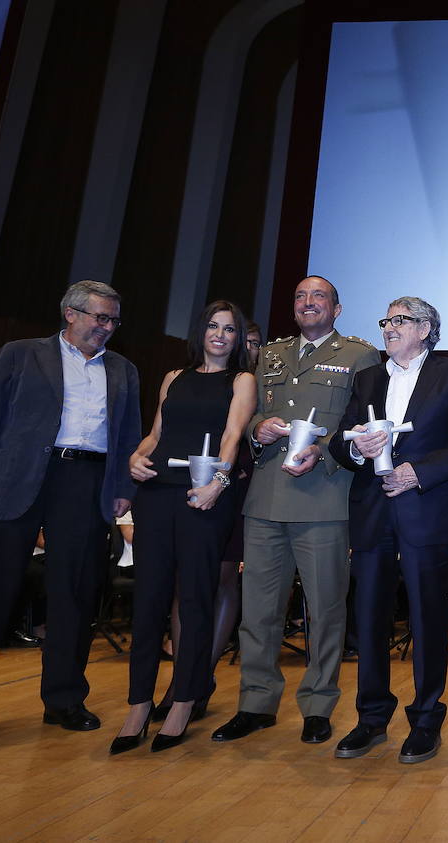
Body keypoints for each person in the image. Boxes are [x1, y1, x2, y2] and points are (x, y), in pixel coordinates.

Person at [0, 280, 140, 752]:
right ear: (70, 312)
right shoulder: (20, 353)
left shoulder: (124, 370)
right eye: (99, 317)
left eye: (113, 320)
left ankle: (64, 700)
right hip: (17, 481)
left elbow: (129, 436)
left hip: (86, 485)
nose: (106, 328)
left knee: (74, 596)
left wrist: (122, 489)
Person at [211, 276, 379, 747]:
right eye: (300, 296)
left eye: (318, 296)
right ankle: (256, 704)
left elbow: (359, 426)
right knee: (258, 613)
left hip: (325, 498)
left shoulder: (359, 355)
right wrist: (259, 431)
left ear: (337, 309)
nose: (308, 303)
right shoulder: (270, 354)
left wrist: (321, 451)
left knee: (325, 612)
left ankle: (318, 705)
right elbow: (252, 416)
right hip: (265, 498)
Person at [327, 296, 448, 764]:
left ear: (426, 328)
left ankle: (426, 720)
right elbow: (339, 441)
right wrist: (357, 450)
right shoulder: (368, 377)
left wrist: (418, 471)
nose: (389, 328)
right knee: (368, 618)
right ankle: (371, 719)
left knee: (428, 618)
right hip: (372, 513)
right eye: (386, 321)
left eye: (400, 321)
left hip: (426, 509)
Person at [110, 301, 257, 754]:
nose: (220, 334)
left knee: (194, 599)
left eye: (229, 329)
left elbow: (233, 436)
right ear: (201, 332)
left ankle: (184, 701)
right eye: (213, 326)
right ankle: (138, 704)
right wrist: (135, 456)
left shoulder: (242, 380)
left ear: (237, 339)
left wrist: (219, 482)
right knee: (149, 599)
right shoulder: (174, 378)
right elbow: (156, 434)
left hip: (204, 495)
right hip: (155, 493)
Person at [154, 321, 263, 722]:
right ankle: (182, 681)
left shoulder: (260, 386)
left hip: (243, 487)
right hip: (200, 482)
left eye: (254, 343)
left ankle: (202, 677)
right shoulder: (204, 380)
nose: (248, 348)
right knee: (189, 583)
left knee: (223, 578)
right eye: (243, 341)